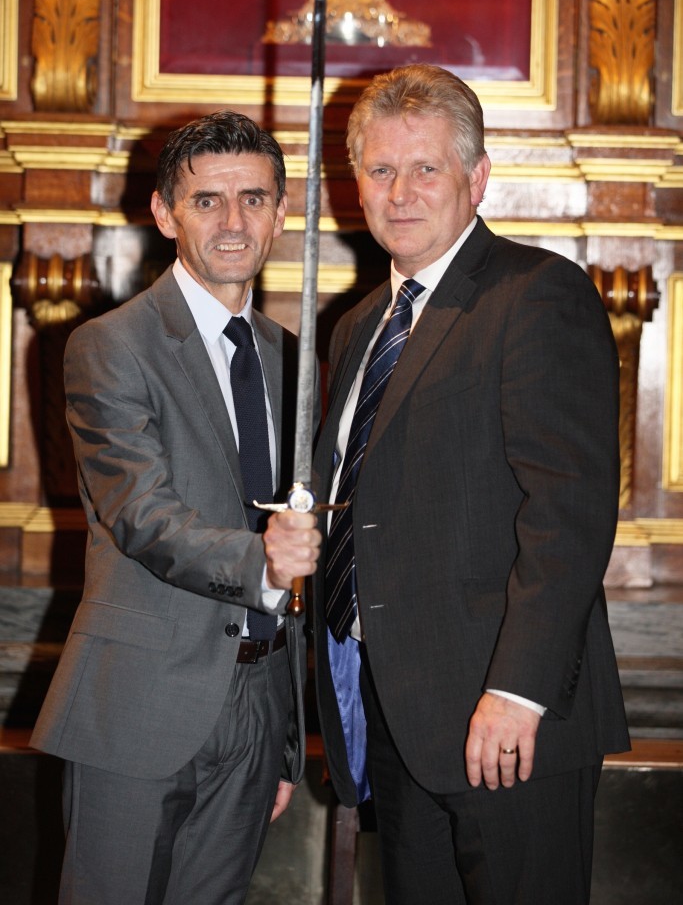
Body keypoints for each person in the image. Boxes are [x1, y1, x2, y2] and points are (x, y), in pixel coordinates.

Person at [312, 64, 630, 904]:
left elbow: (566, 512)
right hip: (398, 719)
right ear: (356, 186)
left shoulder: (534, 294)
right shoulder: (354, 329)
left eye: (427, 169)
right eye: (380, 171)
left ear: (476, 177)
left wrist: (516, 689)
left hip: (506, 721)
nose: (401, 192)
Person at [31, 110, 321, 905]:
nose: (233, 222)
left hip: (257, 711)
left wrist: (283, 742)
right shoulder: (111, 345)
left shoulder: (291, 360)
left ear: (281, 210)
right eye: (206, 201)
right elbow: (140, 515)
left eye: (254, 198)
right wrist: (261, 559)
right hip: (138, 699)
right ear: (164, 214)